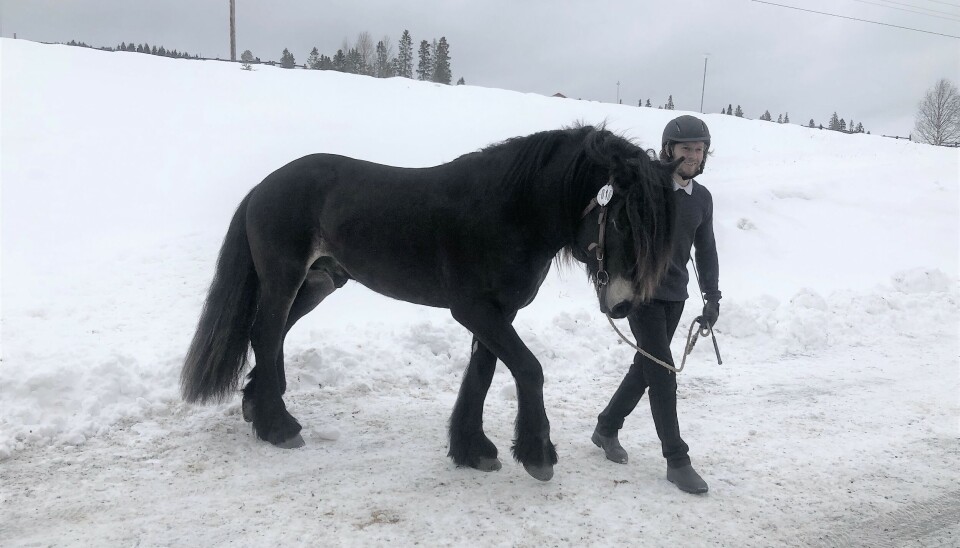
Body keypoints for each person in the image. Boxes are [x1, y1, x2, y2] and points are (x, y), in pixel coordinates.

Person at [591, 114, 721, 494]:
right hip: (641, 294)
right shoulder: (648, 188)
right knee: (662, 372)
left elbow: (706, 250)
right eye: (685, 149)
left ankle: (606, 426)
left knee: (645, 368)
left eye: (699, 150)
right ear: (668, 150)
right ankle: (677, 460)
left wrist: (712, 297)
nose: (692, 156)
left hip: (675, 296)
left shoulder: (702, 199)